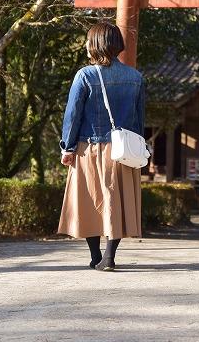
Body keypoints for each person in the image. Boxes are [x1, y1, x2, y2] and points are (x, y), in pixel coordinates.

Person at [57, 22, 145, 271]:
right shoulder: (136, 77)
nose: (86, 45)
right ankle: (109, 256)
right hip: (123, 151)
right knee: (115, 202)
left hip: (90, 148)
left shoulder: (85, 75)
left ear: (95, 44)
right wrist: (138, 151)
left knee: (90, 201)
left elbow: (72, 116)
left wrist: (68, 148)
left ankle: (96, 256)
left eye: (88, 40)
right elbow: (139, 119)